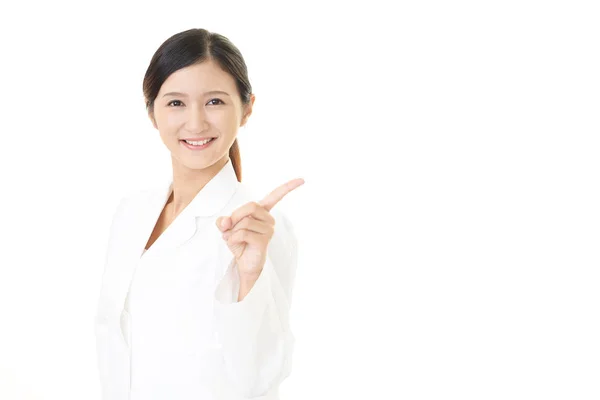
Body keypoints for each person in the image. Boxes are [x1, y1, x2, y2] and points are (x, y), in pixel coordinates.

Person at [94, 28, 304, 400]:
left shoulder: (258, 229)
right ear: (151, 112)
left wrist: (250, 273)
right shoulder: (132, 212)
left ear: (247, 109)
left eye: (215, 102)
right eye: (176, 103)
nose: (195, 123)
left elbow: (259, 378)